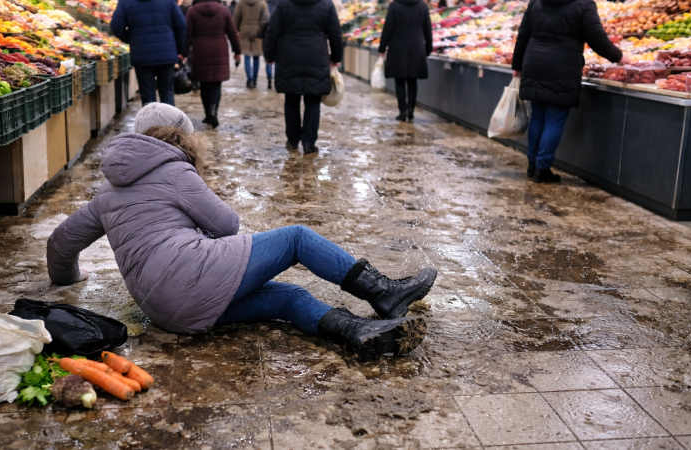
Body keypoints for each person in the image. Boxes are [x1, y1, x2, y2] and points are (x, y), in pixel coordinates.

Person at [46, 104, 437, 361]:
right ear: (181, 137)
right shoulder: (176, 171)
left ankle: (358, 332)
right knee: (297, 237)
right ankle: (385, 294)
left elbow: (61, 243)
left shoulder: (105, 194)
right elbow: (226, 225)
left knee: (288, 298)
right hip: (191, 274)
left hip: (166, 313)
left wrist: (69, 276)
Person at [512, 0, 629, 183]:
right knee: (554, 120)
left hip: (534, 63)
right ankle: (543, 169)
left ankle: (532, 164)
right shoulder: (584, 4)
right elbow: (597, 38)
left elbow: (523, 34)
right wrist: (619, 57)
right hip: (563, 67)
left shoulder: (536, 2)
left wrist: (517, 64)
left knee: (538, 116)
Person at [264, 0, 342, 154]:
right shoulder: (326, 4)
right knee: (313, 101)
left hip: (289, 56)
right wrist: (336, 56)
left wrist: (269, 54)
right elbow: (335, 33)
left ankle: (292, 140)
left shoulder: (284, 4)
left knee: (291, 100)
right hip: (317, 56)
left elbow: (272, 30)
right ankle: (309, 143)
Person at [111, 0, 187, 106]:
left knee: (147, 94)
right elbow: (181, 26)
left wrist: (132, 39)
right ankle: (169, 121)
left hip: (142, 54)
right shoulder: (168, 1)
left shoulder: (125, 2)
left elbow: (116, 26)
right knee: (167, 91)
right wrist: (178, 50)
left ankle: (151, 122)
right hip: (166, 53)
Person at [183, 0, 242, 128]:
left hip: (200, 50)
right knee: (216, 84)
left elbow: (187, 34)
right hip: (219, 49)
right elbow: (232, 33)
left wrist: (183, 53)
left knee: (204, 84)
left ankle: (207, 114)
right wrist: (237, 51)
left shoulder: (192, 11)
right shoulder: (223, 10)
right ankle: (213, 111)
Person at [378, 0, 432, 122]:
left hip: (398, 46)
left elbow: (388, 27)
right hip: (417, 46)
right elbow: (427, 28)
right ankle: (411, 110)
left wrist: (382, 47)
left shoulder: (395, 5)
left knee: (400, 81)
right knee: (413, 81)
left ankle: (402, 111)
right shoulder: (423, 6)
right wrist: (428, 48)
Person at [233, 0, 270, 89]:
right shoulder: (262, 3)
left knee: (247, 55)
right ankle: (255, 79)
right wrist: (260, 28)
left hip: (244, 29)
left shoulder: (241, 3)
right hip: (257, 31)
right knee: (256, 57)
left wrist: (237, 29)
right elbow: (266, 18)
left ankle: (249, 79)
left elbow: (236, 18)